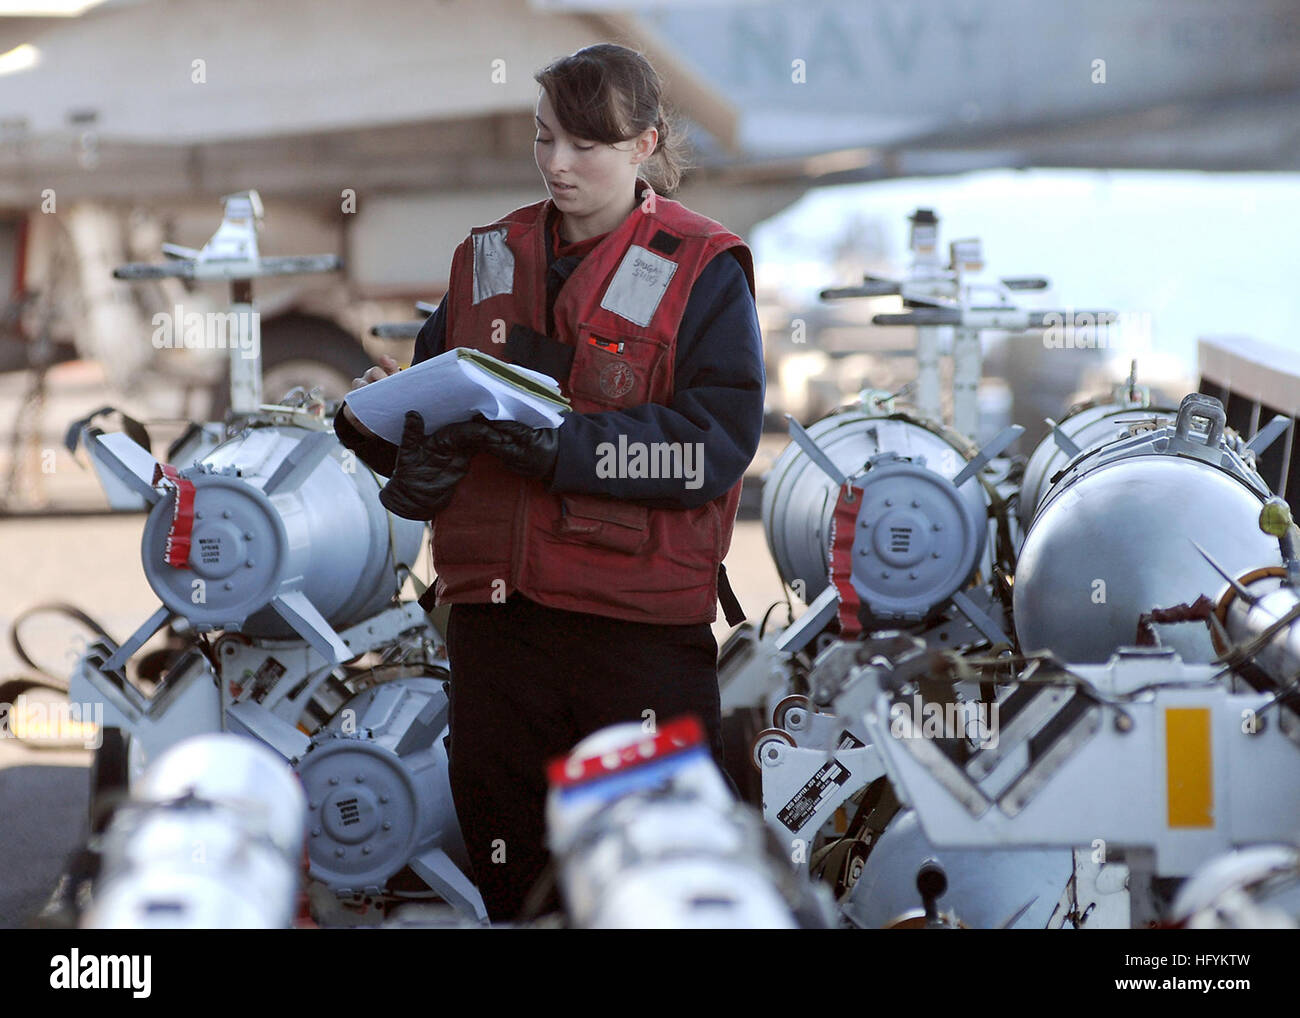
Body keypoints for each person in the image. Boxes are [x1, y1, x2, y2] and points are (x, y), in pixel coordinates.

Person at [336, 42, 765, 923]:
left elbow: (710, 449)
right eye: (544, 139)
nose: (558, 165)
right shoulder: (486, 259)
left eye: (586, 146)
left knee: (659, 884)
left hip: (634, 640)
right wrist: (395, 452)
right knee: (516, 879)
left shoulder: (703, 271)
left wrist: (568, 451)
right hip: (497, 634)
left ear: (646, 145)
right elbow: (431, 405)